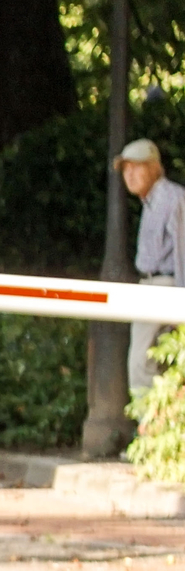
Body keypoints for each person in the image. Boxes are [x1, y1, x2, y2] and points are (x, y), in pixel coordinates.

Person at [120, 139, 185, 394]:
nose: (130, 175)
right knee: (155, 362)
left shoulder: (172, 198)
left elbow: (182, 250)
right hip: (152, 284)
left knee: (140, 363)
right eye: (126, 169)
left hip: (164, 285)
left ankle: (146, 425)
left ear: (154, 168)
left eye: (137, 167)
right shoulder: (150, 201)